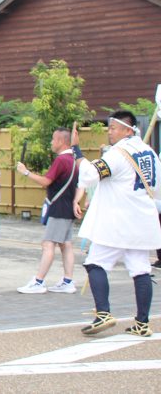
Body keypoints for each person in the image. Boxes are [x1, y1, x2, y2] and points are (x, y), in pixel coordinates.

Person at [72, 112, 161, 336]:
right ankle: (142, 323)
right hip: (142, 221)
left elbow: (91, 174)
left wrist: (78, 152)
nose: (109, 132)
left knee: (95, 263)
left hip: (116, 222)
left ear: (128, 130)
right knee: (140, 269)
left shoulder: (118, 153)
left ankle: (103, 312)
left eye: (113, 128)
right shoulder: (150, 153)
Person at [15, 127, 78, 294]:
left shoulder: (61, 160)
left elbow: (46, 181)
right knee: (66, 245)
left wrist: (26, 172)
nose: (51, 142)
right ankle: (67, 281)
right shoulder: (74, 159)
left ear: (60, 141)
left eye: (53, 139)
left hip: (58, 208)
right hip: (68, 206)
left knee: (48, 244)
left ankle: (39, 281)